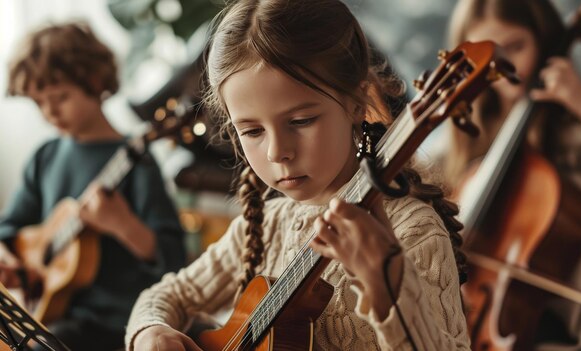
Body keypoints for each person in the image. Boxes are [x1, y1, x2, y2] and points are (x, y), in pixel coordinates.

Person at [125, 0, 471, 350]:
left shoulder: (412, 233)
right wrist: (150, 332)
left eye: (301, 121)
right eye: (252, 131)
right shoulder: (267, 224)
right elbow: (168, 294)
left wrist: (388, 287)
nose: (277, 152)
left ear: (358, 102)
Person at [441, 0, 581, 349]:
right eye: (491, 58)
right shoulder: (468, 151)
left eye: (516, 46)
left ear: (543, 41)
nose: (506, 66)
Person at [0, 22, 187, 350]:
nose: (50, 112)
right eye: (38, 102)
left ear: (96, 82)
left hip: (122, 321)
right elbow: (8, 229)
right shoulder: (46, 157)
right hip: (53, 317)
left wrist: (122, 224)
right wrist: (12, 264)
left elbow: (173, 259)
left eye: (59, 98)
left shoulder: (136, 160)